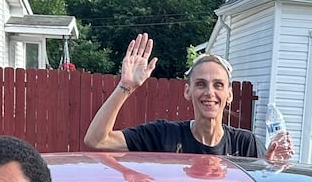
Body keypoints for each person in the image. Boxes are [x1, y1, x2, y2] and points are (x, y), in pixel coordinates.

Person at [83, 34, 294, 162]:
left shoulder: (245, 144)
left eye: (218, 85)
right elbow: (97, 139)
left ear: (229, 95)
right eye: (201, 84)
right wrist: (125, 86)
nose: (210, 93)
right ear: (187, 91)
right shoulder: (164, 135)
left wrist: (270, 168)